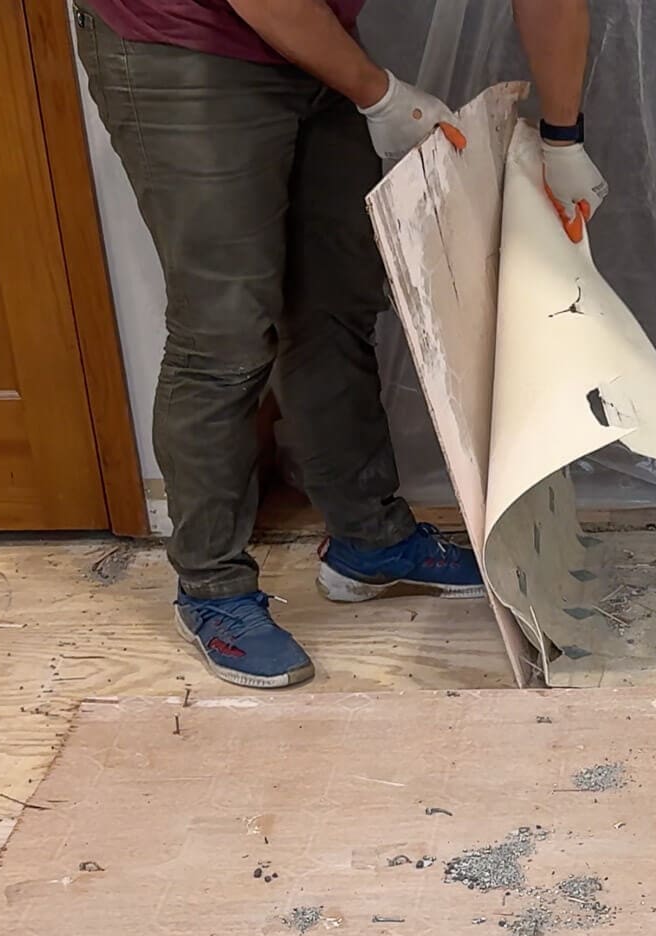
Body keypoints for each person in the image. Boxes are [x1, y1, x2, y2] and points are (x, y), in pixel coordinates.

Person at [75, 0, 606, 688]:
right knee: (225, 331)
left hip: (314, 36)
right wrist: (377, 92)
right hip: (182, 38)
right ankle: (212, 590)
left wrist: (564, 138)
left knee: (335, 304)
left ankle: (370, 541)